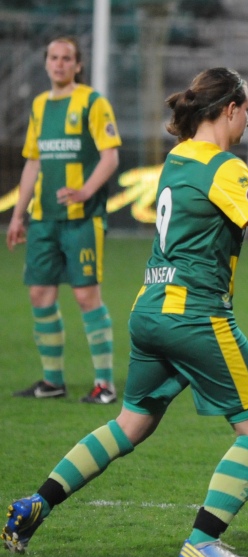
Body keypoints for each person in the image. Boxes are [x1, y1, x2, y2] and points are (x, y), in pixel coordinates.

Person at [2, 67, 248, 557]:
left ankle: (34, 503)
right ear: (229, 109)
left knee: (130, 424)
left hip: (149, 310)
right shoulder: (226, 168)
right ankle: (202, 542)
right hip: (196, 316)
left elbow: (201, 202)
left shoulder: (179, 158)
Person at [7, 36, 122, 404]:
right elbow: (33, 161)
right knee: (40, 293)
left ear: (78, 65)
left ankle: (104, 383)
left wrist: (86, 191)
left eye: (66, 58)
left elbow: (110, 157)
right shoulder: (40, 105)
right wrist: (17, 214)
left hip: (82, 219)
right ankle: (52, 381)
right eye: (53, 57)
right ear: (46, 63)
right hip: (44, 219)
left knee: (87, 296)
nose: (59, 63)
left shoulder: (92, 102)